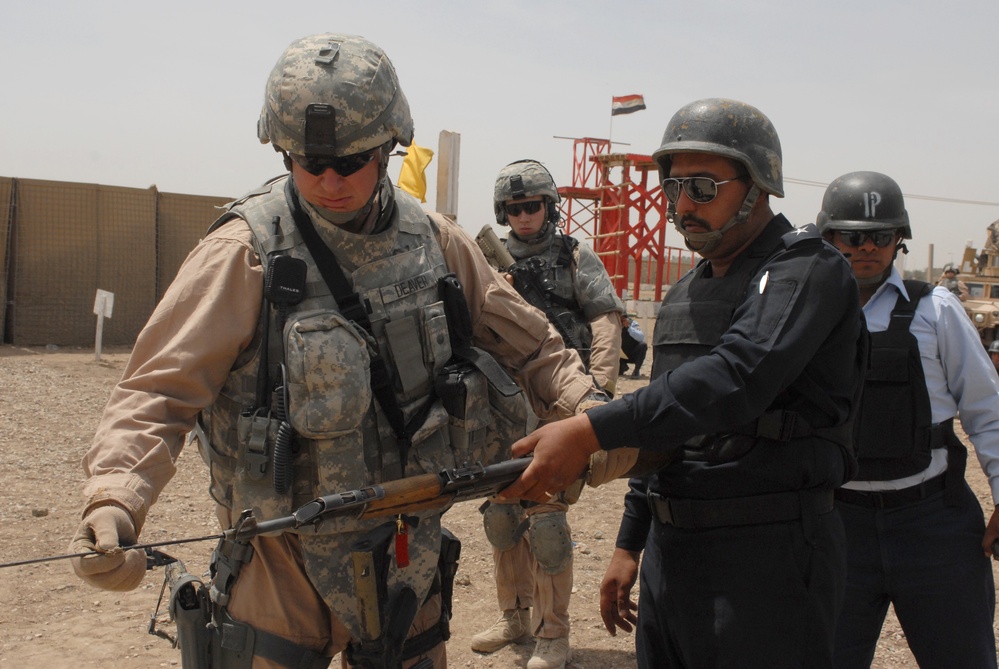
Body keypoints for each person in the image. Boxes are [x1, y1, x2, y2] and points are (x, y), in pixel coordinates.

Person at [67, 33, 607, 669]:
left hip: (406, 536)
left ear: (385, 149)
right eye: (307, 160)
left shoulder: (435, 242)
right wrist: (114, 500)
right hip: (279, 554)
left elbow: (534, 344)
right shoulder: (243, 253)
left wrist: (593, 413)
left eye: (349, 162)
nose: (328, 180)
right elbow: (158, 391)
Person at [500, 97, 868, 669]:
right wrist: (630, 543)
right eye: (672, 190)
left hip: (768, 552)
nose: (681, 205)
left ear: (758, 185)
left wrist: (590, 429)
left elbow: (739, 374)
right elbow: (669, 429)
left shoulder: (804, 270)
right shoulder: (686, 294)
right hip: (677, 551)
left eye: (701, 187)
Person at [816, 170, 999, 669]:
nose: (867, 247)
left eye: (882, 236)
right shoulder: (801, 315)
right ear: (828, 238)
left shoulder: (936, 311)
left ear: (900, 241)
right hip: (837, 527)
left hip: (933, 527)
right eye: (852, 236)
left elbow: (988, 412)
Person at [469, 159, 623, 669]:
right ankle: (515, 616)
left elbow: (604, 319)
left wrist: (595, 390)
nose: (524, 216)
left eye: (533, 205)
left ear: (549, 207)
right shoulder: (486, 261)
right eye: (514, 208)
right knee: (502, 512)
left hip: (559, 396)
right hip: (504, 401)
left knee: (548, 520)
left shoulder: (575, 255)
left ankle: (553, 632)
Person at [619, 314, 647, 378]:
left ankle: (636, 370)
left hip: (633, 353)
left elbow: (641, 337)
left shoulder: (633, 323)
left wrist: (628, 327)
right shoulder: (614, 324)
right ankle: (622, 366)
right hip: (620, 355)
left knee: (643, 345)